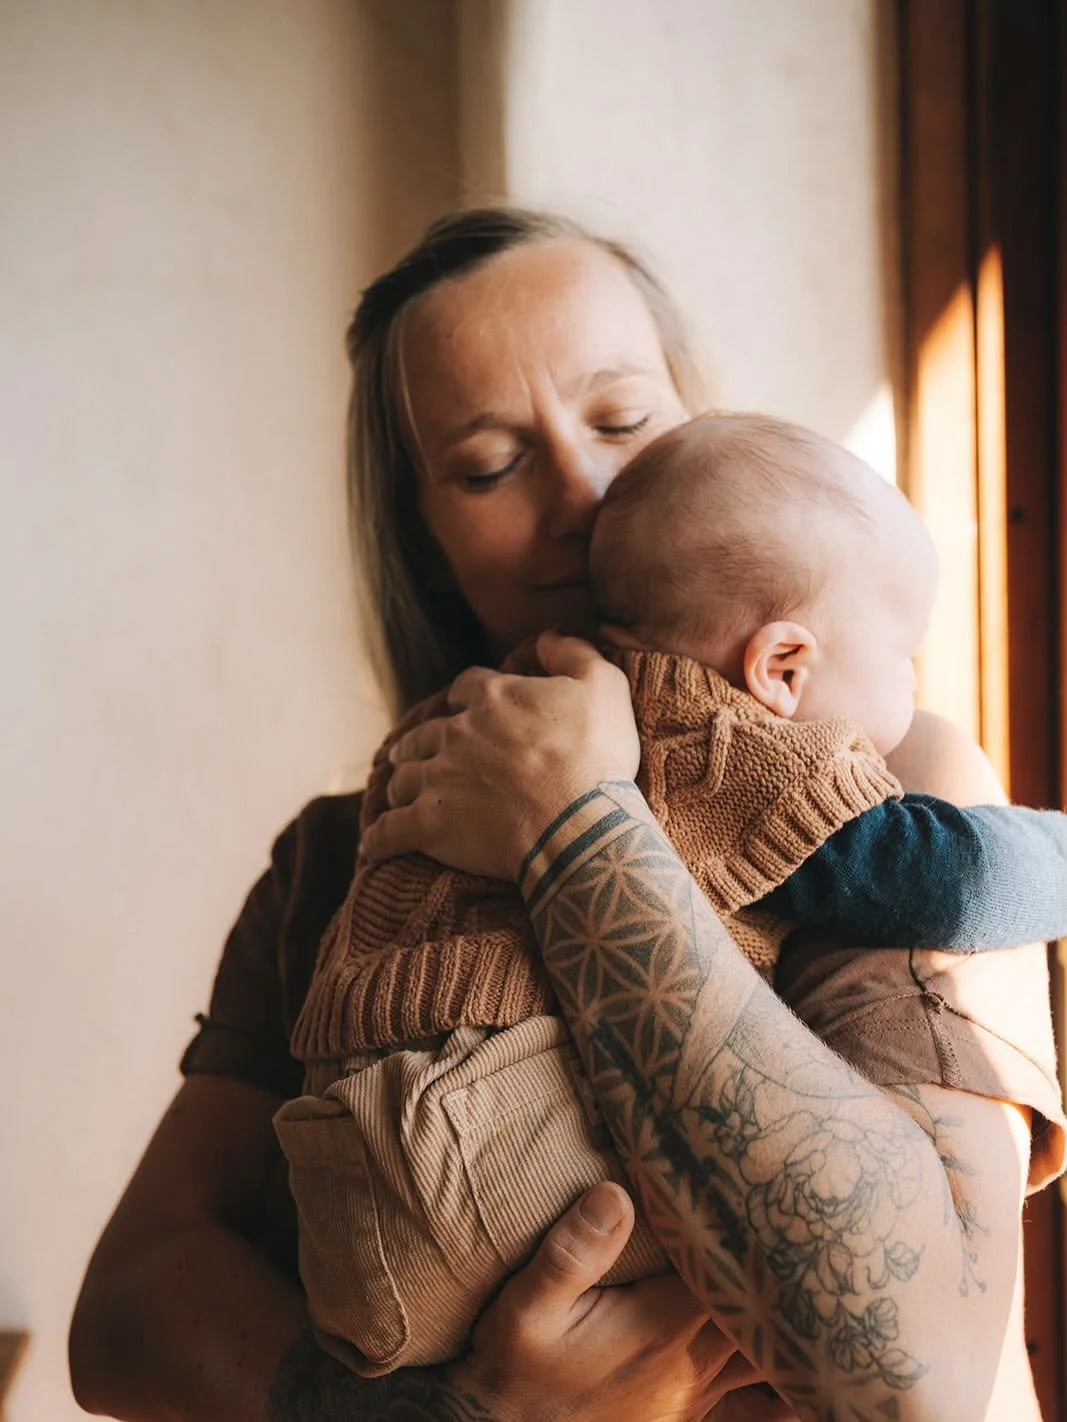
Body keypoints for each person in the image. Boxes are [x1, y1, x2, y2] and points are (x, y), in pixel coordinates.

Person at [68, 207, 1065, 1421]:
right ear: (427, 542)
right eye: (489, 465)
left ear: (699, 419)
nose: (586, 489)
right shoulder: (341, 851)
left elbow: (916, 1375)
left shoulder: (892, 775)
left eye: (621, 418)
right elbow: (127, 1310)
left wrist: (573, 830)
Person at [279, 409, 1067, 1378]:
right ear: (780, 667)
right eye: (902, 652)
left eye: (616, 421)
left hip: (338, 1180)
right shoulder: (722, 740)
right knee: (798, 1228)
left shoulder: (483, 707)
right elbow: (940, 874)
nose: (572, 490)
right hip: (479, 1148)